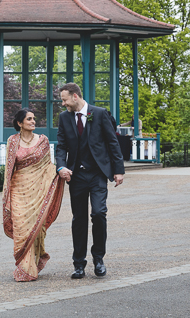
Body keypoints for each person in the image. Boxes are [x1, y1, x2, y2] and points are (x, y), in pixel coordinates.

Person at [55, 83, 125, 279]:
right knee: (79, 219)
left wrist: (118, 170)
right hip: (76, 176)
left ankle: (99, 258)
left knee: (99, 213)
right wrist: (61, 167)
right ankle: (79, 264)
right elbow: (61, 146)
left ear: (75, 96)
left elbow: (113, 142)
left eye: (65, 99)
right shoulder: (64, 118)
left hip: (97, 174)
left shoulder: (100, 113)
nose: (63, 103)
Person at [2, 108, 65, 281]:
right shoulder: (12, 141)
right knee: (21, 226)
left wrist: (60, 172)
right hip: (18, 188)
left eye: (34, 119)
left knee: (36, 228)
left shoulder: (43, 140)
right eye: (29, 119)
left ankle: (34, 261)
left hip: (37, 190)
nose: (33, 121)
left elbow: (47, 167)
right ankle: (24, 267)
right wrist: (6, 195)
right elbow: (9, 169)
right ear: (19, 123)